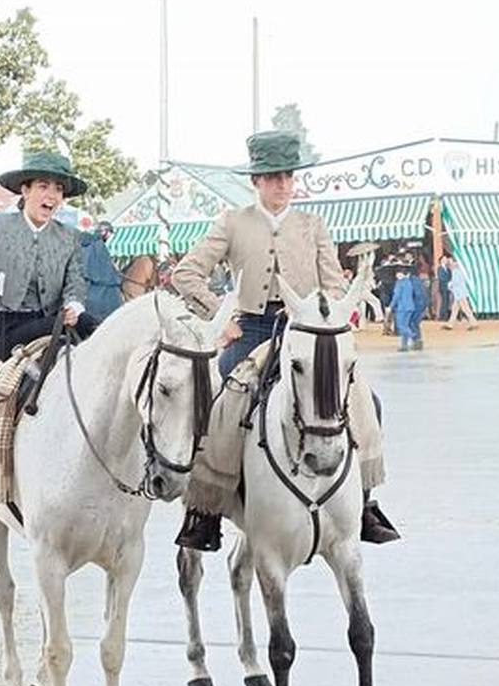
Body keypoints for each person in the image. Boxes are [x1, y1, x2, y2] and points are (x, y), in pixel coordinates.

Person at [171, 129, 399, 549]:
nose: (282, 185)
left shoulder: (312, 225)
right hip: (251, 330)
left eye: (288, 176)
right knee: (217, 402)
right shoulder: (232, 222)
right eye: (273, 176)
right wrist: (219, 316)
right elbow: (186, 273)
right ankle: (203, 511)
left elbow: (332, 284)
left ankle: (364, 502)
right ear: (256, 181)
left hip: (306, 331)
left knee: (370, 400)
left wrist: (325, 320)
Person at [0, 150, 98, 362]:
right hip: (12, 328)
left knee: (100, 331)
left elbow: (75, 282)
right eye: (43, 186)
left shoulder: (69, 236)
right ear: (25, 190)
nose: (52, 195)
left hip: (58, 322)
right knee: (62, 328)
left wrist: (74, 306)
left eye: (58, 189)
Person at [80, 219, 123, 321]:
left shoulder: (87, 244)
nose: (110, 237)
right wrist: (117, 277)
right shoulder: (99, 245)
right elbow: (105, 270)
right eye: (110, 233)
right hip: (98, 288)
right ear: (105, 232)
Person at [443, 258, 478, 330]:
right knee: (455, 309)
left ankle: (474, 323)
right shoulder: (458, 270)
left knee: (465, 308)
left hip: (460, 293)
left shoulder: (456, 271)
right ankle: (450, 324)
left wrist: (449, 285)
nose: (449, 264)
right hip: (459, 293)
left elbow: (455, 282)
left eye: (450, 262)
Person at [388, 270, 415, 351]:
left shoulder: (399, 283)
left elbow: (397, 296)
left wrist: (391, 306)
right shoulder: (409, 282)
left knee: (401, 326)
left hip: (402, 307)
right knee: (405, 325)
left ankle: (412, 336)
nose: (397, 274)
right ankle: (404, 345)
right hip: (410, 306)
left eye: (399, 273)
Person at [408, 270, 429, 350]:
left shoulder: (412, 281)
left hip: (417, 305)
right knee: (415, 323)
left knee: (412, 322)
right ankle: (417, 341)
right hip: (420, 304)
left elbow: (418, 294)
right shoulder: (415, 280)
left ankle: (416, 341)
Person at [436, 254, 452, 321]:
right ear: (441, 261)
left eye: (446, 259)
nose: (446, 260)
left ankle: (445, 315)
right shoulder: (439, 268)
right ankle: (442, 315)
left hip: (448, 287)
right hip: (443, 286)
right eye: (444, 259)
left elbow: (450, 276)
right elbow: (441, 277)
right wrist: (447, 282)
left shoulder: (448, 269)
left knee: (447, 301)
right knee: (444, 301)